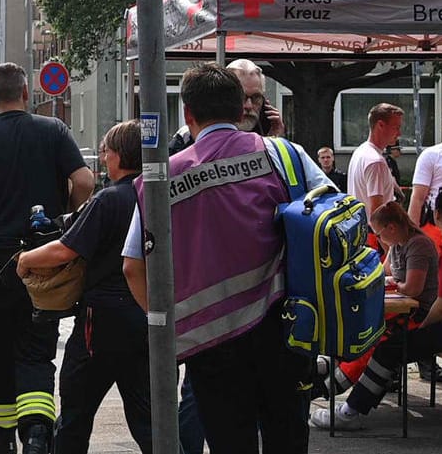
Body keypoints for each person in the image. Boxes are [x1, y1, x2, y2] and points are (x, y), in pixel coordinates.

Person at [122, 63, 329, 453]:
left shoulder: (163, 178)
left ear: (188, 114)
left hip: (210, 344)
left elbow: (133, 265)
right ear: (242, 110)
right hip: (284, 333)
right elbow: (334, 218)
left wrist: (172, 326)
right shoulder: (286, 155)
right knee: (288, 438)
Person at [0, 63, 94, 454]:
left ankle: (1, 440)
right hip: (43, 253)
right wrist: (69, 220)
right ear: (28, 94)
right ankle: (36, 433)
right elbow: (84, 181)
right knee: (37, 346)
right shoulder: (53, 131)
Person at [17, 121, 149, 454]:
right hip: (144, 317)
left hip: (101, 321)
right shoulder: (155, 196)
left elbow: (66, 248)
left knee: (76, 412)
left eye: (106, 152)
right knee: (148, 417)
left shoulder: (108, 200)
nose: (103, 158)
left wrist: (26, 259)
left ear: (118, 156)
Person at [313, 187, 442, 427]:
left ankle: (348, 410)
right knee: (388, 345)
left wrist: (421, 332)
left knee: (389, 348)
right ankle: (343, 399)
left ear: (438, 214)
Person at [320, 200, 439, 410]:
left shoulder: (418, 245)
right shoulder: (397, 245)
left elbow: (413, 288)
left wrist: (395, 284)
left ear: (391, 227)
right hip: (402, 312)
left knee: (372, 341)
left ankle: (336, 390)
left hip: (418, 316)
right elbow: (383, 273)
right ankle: (327, 373)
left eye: (379, 234)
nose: (379, 239)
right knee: (358, 330)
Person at [166, 57, 281, 156]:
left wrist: (275, 141)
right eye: (242, 97)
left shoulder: (269, 130)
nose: (249, 106)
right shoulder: (191, 132)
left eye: (256, 98)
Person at [347, 103, 404, 227]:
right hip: (374, 236)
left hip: (359, 231)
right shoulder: (375, 161)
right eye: (396, 127)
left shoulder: (360, 152)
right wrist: (390, 246)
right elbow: (377, 214)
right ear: (381, 125)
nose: (399, 133)